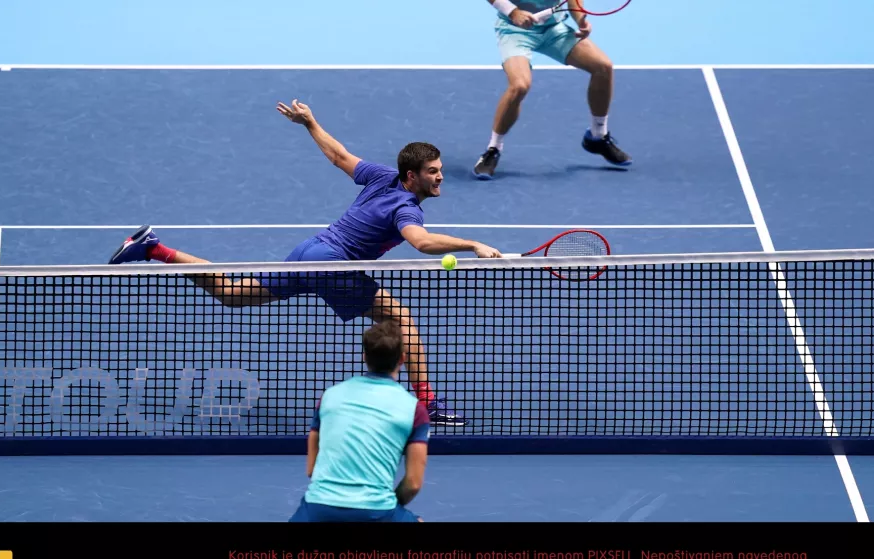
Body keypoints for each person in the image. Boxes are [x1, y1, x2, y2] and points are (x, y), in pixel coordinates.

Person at [107, 99, 505, 427]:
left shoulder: (384, 177)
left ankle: (153, 249)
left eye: (439, 171)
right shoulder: (406, 208)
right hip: (334, 263)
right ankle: (426, 404)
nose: (440, 179)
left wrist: (310, 122)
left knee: (233, 293)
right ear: (411, 175)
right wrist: (472, 244)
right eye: (433, 173)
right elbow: (419, 242)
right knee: (401, 319)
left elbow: (338, 156)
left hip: (311, 249)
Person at [473, 0, 633, 180]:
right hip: (515, 31)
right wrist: (513, 12)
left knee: (603, 67)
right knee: (519, 86)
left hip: (553, 30)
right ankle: (493, 149)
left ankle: (598, 136)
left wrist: (581, 21)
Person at [289, 320, 428, 522]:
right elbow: (414, 483)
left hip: (317, 511)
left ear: (365, 357)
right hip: (377, 512)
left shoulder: (329, 396)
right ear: (402, 359)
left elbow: (312, 469)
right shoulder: (415, 410)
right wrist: (386, 505)